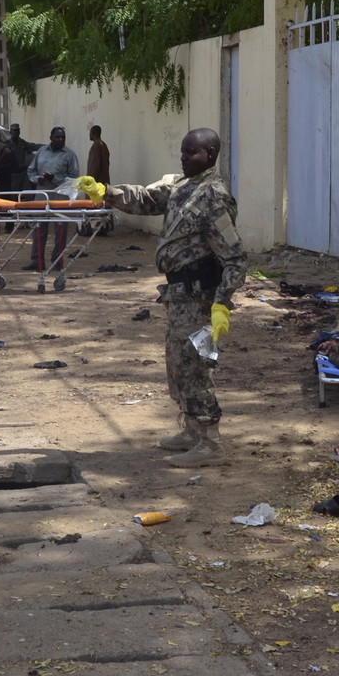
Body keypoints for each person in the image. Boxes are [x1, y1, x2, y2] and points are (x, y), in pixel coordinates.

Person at [79, 127, 247, 467]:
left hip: (201, 297)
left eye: (192, 153)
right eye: (183, 153)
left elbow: (235, 257)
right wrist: (106, 192)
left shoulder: (214, 196)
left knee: (195, 365)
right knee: (177, 363)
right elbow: (145, 198)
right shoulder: (182, 186)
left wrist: (222, 305)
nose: (185, 158)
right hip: (178, 294)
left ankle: (210, 442)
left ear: (210, 155)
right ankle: (192, 429)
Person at [24, 126, 80, 271]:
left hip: (60, 198)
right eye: (57, 137)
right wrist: (38, 179)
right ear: (51, 138)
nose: (60, 139)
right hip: (42, 196)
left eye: (63, 137)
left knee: (60, 231)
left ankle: (57, 261)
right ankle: (37, 261)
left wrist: (55, 179)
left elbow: (74, 179)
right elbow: (31, 170)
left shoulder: (70, 155)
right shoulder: (42, 152)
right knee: (39, 230)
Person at [2, 122, 36, 193]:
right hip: (13, 173)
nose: (16, 132)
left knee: (28, 192)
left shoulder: (22, 143)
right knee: (14, 192)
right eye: (14, 130)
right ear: (11, 132)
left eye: (17, 130)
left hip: (23, 171)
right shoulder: (7, 144)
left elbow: (32, 146)